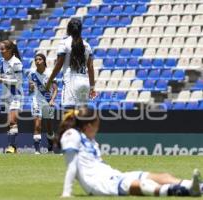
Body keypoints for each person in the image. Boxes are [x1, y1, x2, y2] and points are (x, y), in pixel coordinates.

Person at [59, 106, 202, 197]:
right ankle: (182, 191)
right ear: (88, 125)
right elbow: (72, 166)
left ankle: (196, 186)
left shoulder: (91, 141)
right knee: (141, 186)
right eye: (97, 125)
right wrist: (66, 193)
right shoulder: (71, 135)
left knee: (157, 176)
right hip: (97, 183)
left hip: (111, 174)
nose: (98, 128)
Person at [45, 18, 96, 109]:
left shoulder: (64, 43)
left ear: (68, 29)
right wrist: (92, 87)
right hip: (84, 82)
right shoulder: (87, 45)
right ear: (80, 30)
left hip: (71, 83)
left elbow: (58, 65)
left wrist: (49, 81)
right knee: (81, 117)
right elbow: (91, 68)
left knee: (69, 117)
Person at [0, 40, 23, 154]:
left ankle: (11, 146)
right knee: (8, 123)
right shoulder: (0, 62)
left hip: (15, 95)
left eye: (3, 49)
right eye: (0, 49)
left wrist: (1, 79)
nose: (0, 51)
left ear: (10, 50)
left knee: (12, 121)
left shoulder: (16, 62)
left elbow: (19, 81)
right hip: (5, 95)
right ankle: (12, 146)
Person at [27, 53, 58, 154]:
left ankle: (50, 149)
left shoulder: (50, 73)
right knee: (37, 125)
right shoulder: (31, 74)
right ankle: (37, 151)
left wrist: (52, 100)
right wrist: (31, 88)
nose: (37, 61)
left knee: (49, 128)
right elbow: (30, 91)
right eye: (36, 60)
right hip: (36, 101)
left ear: (44, 61)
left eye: (40, 59)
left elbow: (56, 89)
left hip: (48, 102)